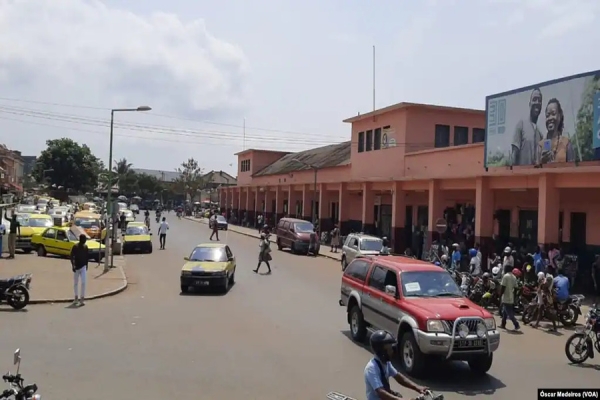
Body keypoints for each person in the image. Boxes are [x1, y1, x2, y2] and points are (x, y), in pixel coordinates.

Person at [364, 330, 427, 400]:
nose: (392, 351)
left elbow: (399, 377)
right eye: (390, 348)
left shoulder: (386, 363)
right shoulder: (372, 368)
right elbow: (381, 392)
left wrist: (417, 387)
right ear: (382, 351)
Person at [511, 87, 543, 166]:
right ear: (529, 104)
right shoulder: (521, 125)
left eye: (539, 100)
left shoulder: (540, 134)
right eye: (534, 99)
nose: (537, 102)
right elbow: (514, 156)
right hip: (522, 176)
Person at [539, 98, 575, 164]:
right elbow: (533, 171)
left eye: (553, 114)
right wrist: (541, 162)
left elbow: (572, 171)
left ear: (559, 116)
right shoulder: (540, 146)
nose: (550, 118)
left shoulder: (566, 143)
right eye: (547, 115)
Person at [70, 234, 89, 306]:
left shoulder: (85, 247)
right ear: (81, 240)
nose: (85, 241)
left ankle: (82, 298)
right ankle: (76, 297)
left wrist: (87, 265)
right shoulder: (75, 247)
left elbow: (87, 257)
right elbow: (71, 256)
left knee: (84, 282)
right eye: (84, 239)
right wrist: (73, 265)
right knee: (76, 283)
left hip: (83, 266)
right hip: (76, 267)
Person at [500, 265, 520, 330]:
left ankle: (516, 324)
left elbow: (503, 287)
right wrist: (514, 295)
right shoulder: (514, 277)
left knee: (509, 313)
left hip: (506, 297)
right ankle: (503, 324)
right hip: (511, 297)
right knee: (505, 312)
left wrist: (500, 295)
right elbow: (516, 287)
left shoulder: (505, 276)